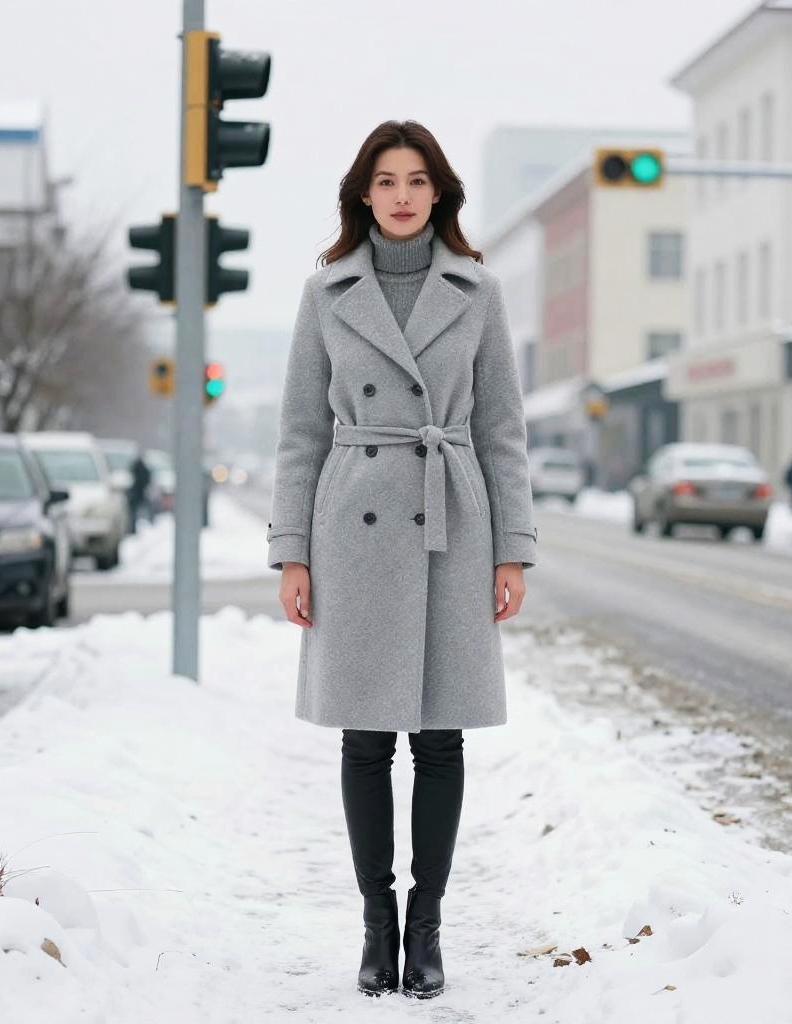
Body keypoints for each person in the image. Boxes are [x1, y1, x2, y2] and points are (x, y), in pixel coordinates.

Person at [266, 120, 537, 999]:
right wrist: (291, 553)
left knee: (442, 735)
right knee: (366, 737)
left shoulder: (479, 290)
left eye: (417, 180)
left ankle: (428, 933)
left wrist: (514, 551)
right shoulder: (325, 293)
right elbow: (300, 435)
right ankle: (376, 930)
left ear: (439, 193)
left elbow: (502, 433)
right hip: (355, 518)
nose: (403, 195)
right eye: (386, 181)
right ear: (363, 195)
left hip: (453, 518)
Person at [127, 451, 151, 533]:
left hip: (135, 494)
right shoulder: (144, 468)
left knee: (134, 514)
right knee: (140, 512)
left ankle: (133, 529)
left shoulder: (136, 467)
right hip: (140, 493)